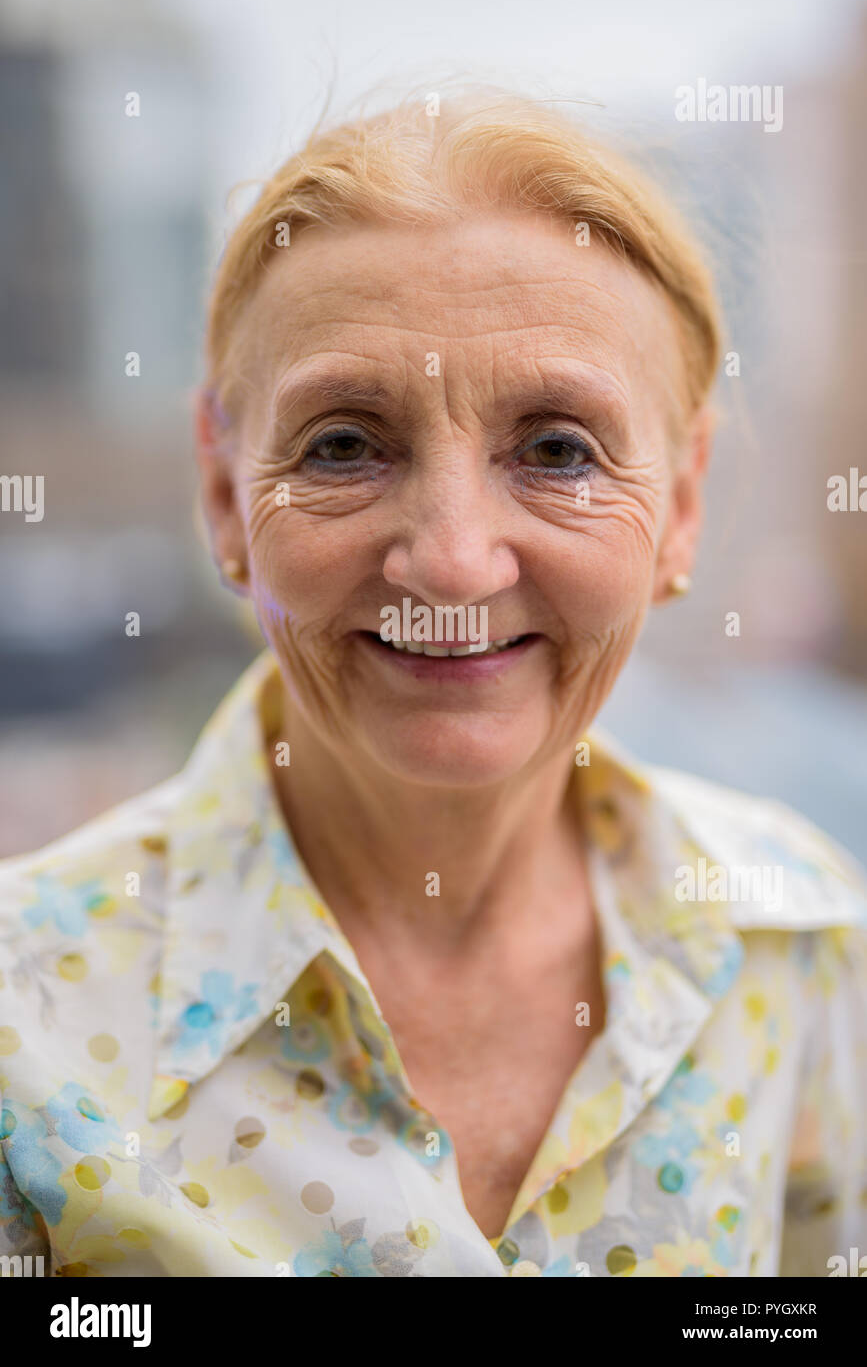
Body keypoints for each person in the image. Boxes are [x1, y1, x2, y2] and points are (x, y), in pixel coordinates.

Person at [1, 91, 865, 1279]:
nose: (453, 559)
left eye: (559, 448)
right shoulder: (22, 1026)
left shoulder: (800, 936)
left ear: (681, 506)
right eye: (345, 444)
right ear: (221, 496)